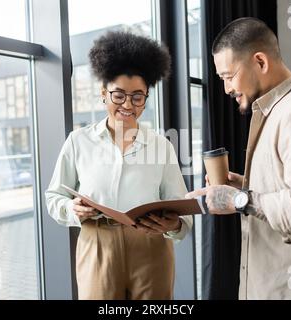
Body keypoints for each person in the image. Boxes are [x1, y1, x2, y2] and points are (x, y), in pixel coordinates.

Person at [186, 17, 291, 299]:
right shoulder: (278, 113)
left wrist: (238, 201)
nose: (227, 89)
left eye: (229, 76)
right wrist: (243, 188)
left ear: (260, 62)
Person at [45, 31, 192, 300]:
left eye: (138, 96)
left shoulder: (162, 145)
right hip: (97, 245)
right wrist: (71, 208)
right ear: (104, 94)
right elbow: (54, 196)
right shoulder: (78, 142)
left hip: (150, 248)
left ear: (146, 98)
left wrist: (173, 225)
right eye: (119, 95)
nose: (128, 104)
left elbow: (181, 209)